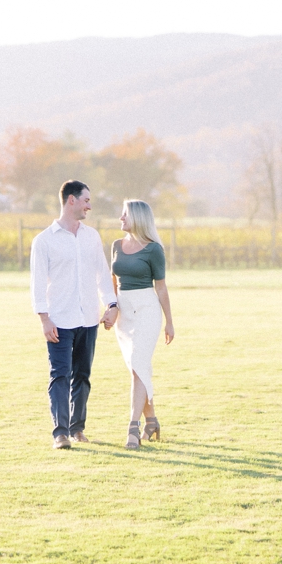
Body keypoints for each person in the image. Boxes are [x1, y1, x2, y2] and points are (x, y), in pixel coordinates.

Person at [29, 180, 118, 449]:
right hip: (59, 320)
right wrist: (44, 318)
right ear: (71, 200)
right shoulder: (44, 241)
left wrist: (111, 305)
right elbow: (37, 283)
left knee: (82, 375)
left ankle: (78, 428)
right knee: (60, 375)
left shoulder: (92, 237)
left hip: (89, 318)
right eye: (86, 200)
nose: (89, 205)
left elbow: (103, 273)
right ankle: (61, 433)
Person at [110, 198, 174, 449]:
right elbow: (113, 281)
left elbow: (161, 288)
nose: (121, 218)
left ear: (137, 217)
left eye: (124, 214)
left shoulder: (154, 249)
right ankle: (152, 421)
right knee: (136, 368)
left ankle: (133, 430)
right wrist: (111, 309)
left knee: (138, 365)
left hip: (147, 310)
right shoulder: (116, 245)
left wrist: (169, 322)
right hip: (124, 313)